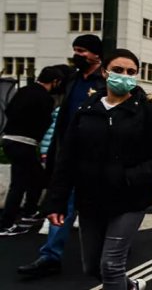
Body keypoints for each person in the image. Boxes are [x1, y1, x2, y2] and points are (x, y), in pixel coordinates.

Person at [45, 49, 152, 290]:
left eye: (131, 72)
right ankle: (130, 286)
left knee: (111, 265)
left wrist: (128, 177)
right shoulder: (87, 109)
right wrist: (57, 200)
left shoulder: (148, 111)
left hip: (129, 199)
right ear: (105, 72)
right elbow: (67, 158)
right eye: (118, 70)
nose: (124, 75)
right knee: (93, 267)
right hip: (91, 199)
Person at [19, 34, 106, 278]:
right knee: (61, 206)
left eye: (83, 51)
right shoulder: (71, 80)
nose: (78, 55)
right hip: (69, 155)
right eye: (75, 50)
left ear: (96, 54)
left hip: (96, 157)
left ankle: (110, 252)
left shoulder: (105, 81)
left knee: (100, 208)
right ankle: (50, 256)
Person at [0, 67, 64, 236]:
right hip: (25, 142)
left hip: (9, 139)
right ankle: (6, 224)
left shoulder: (24, 91)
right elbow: (45, 122)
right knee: (20, 183)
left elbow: (8, 110)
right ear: (55, 81)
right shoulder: (45, 98)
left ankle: (29, 211)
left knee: (35, 178)